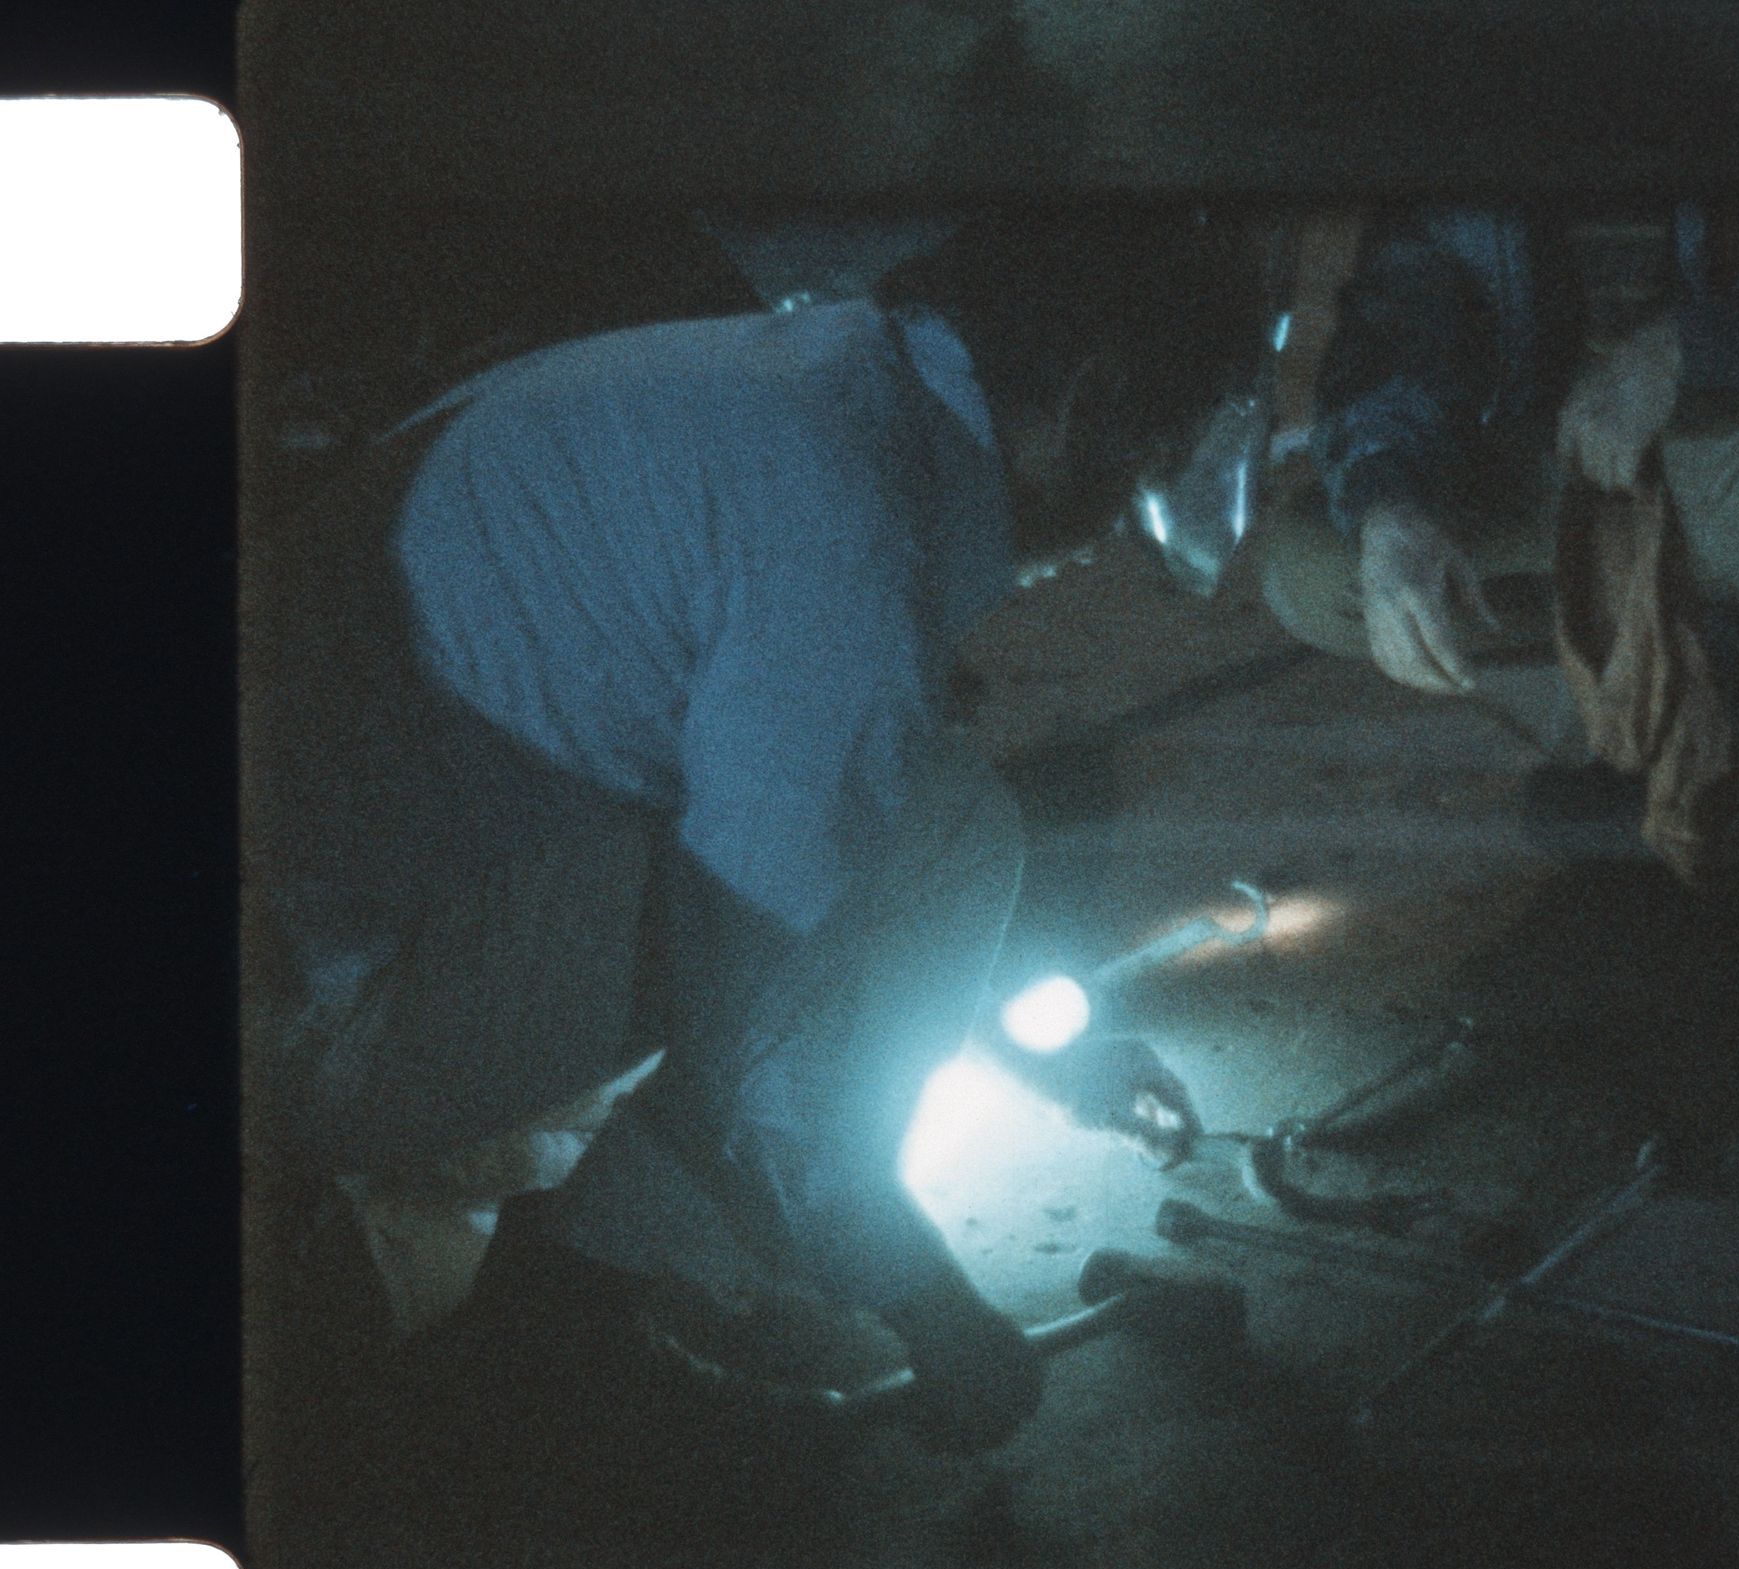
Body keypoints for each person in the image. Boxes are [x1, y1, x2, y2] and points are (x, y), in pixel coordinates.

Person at [244, 207, 1260, 1469]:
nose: (1126, 520)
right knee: (944, 839)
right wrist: (933, 1311)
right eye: (1149, 460)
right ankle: (567, 1313)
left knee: (868, 816)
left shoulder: (803, 378)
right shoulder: (849, 554)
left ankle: (492, 1237)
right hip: (305, 1020)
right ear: (1084, 401)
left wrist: (1016, 1049)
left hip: (290, 900)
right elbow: (753, 1036)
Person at [1256, 205, 1739, 973]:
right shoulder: (1474, 125)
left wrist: (1688, 347)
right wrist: (1390, 501)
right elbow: (1397, 323)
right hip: (1572, 441)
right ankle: (1630, 723)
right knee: (1322, 566)